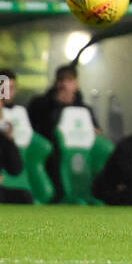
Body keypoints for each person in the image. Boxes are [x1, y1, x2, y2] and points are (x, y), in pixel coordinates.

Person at [27, 63, 97, 201]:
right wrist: (57, 105)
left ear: (76, 84)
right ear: (55, 83)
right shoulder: (40, 104)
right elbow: (37, 129)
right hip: (51, 158)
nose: (64, 85)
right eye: (61, 80)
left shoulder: (85, 110)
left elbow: (96, 131)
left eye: (69, 80)